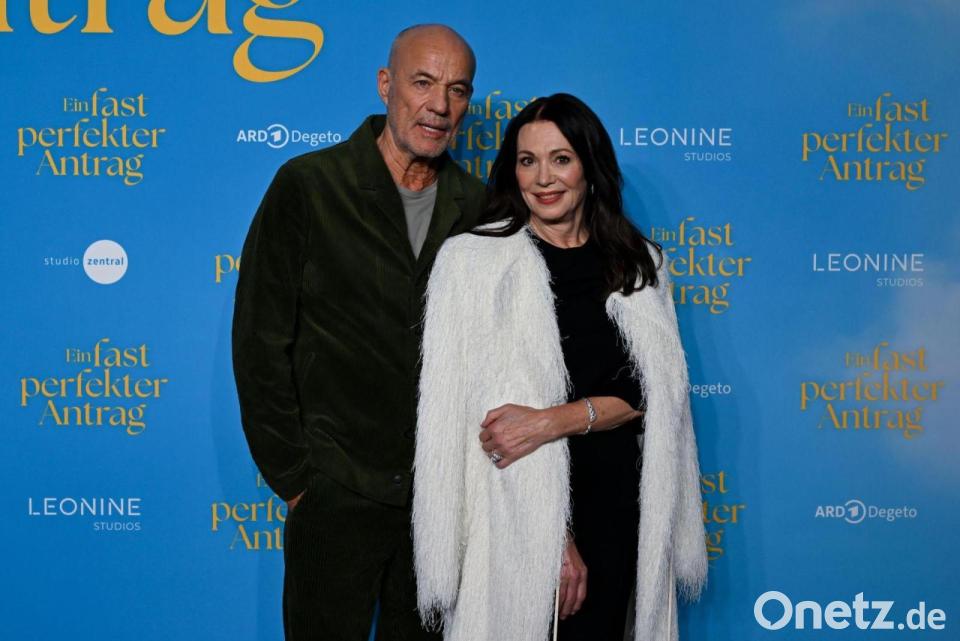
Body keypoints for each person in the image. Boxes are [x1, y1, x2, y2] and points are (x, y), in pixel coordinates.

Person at [413, 93, 706, 641]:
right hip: (518, 517)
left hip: (621, 508)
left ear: (590, 168)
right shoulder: (473, 264)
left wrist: (551, 421)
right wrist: (551, 536)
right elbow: (484, 427)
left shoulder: (639, 264)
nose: (543, 178)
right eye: (528, 161)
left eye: (561, 159)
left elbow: (652, 396)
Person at [232, 24, 486, 641]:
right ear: (385, 85)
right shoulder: (309, 185)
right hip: (334, 490)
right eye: (422, 82)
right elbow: (260, 340)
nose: (439, 104)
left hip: (440, 504)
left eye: (456, 90)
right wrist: (298, 480)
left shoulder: (481, 208)